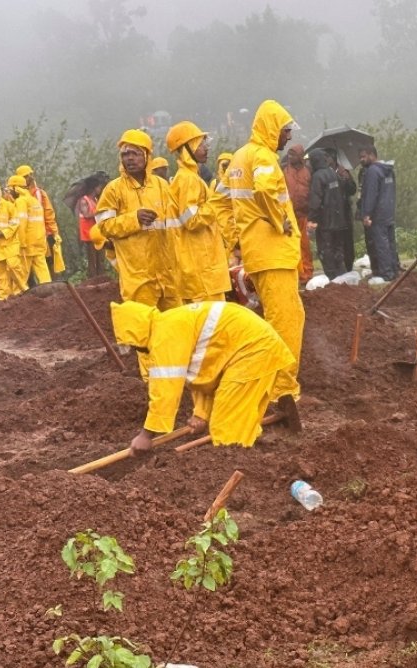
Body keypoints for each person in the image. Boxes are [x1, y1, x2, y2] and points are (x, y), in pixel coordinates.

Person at [110, 300, 300, 454]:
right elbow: (207, 373)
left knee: (226, 429)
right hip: (249, 349)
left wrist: (146, 435)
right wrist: (200, 413)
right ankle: (245, 454)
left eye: (132, 344)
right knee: (235, 421)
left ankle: (235, 465)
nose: (136, 350)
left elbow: (165, 392)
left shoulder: (164, 337)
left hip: (253, 350)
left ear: (137, 333)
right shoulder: (168, 324)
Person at [225, 99, 304, 403]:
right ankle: (282, 390)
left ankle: (267, 384)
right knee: (287, 321)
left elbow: (222, 203)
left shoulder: (239, 157)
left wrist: (235, 240)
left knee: (274, 319)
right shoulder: (263, 157)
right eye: (285, 130)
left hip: (258, 252)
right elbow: (264, 189)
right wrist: (279, 219)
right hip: (273, 251)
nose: (288, 137)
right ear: (272, 128)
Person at [96, 129, 181, 308]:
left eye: (134, 153)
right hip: (138, 279)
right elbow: (104, 226)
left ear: (146, 156)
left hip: (167, 277)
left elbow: (176, 227)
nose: (129, 158)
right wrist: (134, 219)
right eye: (125, 154)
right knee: (142, 329)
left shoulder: (162, 187)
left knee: (174, 328)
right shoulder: (113, 190)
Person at [165, 121, 232, 303]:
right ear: (188, 148)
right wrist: (216, 203)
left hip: (204, 267)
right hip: (202, 269)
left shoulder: (190, 177)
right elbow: (192, 220)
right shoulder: (188, 180)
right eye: (201, 144)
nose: (206, 148)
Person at [306, 148, 355, 279]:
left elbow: (315, 201)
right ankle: (342, 277)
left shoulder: (317, 177)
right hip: (339, 223)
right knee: (338, 251)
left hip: (325, 224)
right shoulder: (334, 174)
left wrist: (311, 219)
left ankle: (333, 279)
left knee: (326, 251)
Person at [357, 144, 400, 281]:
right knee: (390, 244)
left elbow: (371, 195)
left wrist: (366, 214)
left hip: (378, 215)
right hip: (389, 212)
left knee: (381, 245)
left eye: (363, 157)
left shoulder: (372, 171)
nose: (361, 160)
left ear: (372, 155)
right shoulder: (388, 170)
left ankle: (386, 274)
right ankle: (394, 270)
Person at [16, 165, 62, 279]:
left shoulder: (39, 193)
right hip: (27, 237)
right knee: (29, 265)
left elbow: (48, 213)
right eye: (25, 176)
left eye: (29, 175)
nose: (29, 178)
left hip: (44, 234)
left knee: (48, 262)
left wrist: (54, 232)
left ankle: (53, 287)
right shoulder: (18, 196)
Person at [7, 175, 49, 287]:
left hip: (27, 242)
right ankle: (49, 290)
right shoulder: (34, 200)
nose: (9, 193)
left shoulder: (21, 201)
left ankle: (19, 294)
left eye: (10, 189)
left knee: (22, 271)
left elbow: (22, 223)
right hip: (40, 240)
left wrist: (21, 243)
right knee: (42, 270)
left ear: (16, 188)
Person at [282, 143, 314, 282]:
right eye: (289, 154)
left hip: (304, 214)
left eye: (293, 154)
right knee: (291, 245)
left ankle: (307, 272)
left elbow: (313, 190)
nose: (290, 157)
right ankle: (295, 273)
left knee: (305, 245)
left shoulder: (308, 171)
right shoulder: (284, 170)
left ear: (300, 156)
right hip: (289, 215)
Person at [77, 179, 106, 278]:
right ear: (94, 188)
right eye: (98, 187)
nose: (100, 189)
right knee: (92, 259)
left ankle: (101, 278)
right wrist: (100, 212)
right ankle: (93, 279)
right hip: (88, 234)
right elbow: (86, 214)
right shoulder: (84, 200)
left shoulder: (96, 200)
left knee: (100, 259)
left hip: (98, 233)